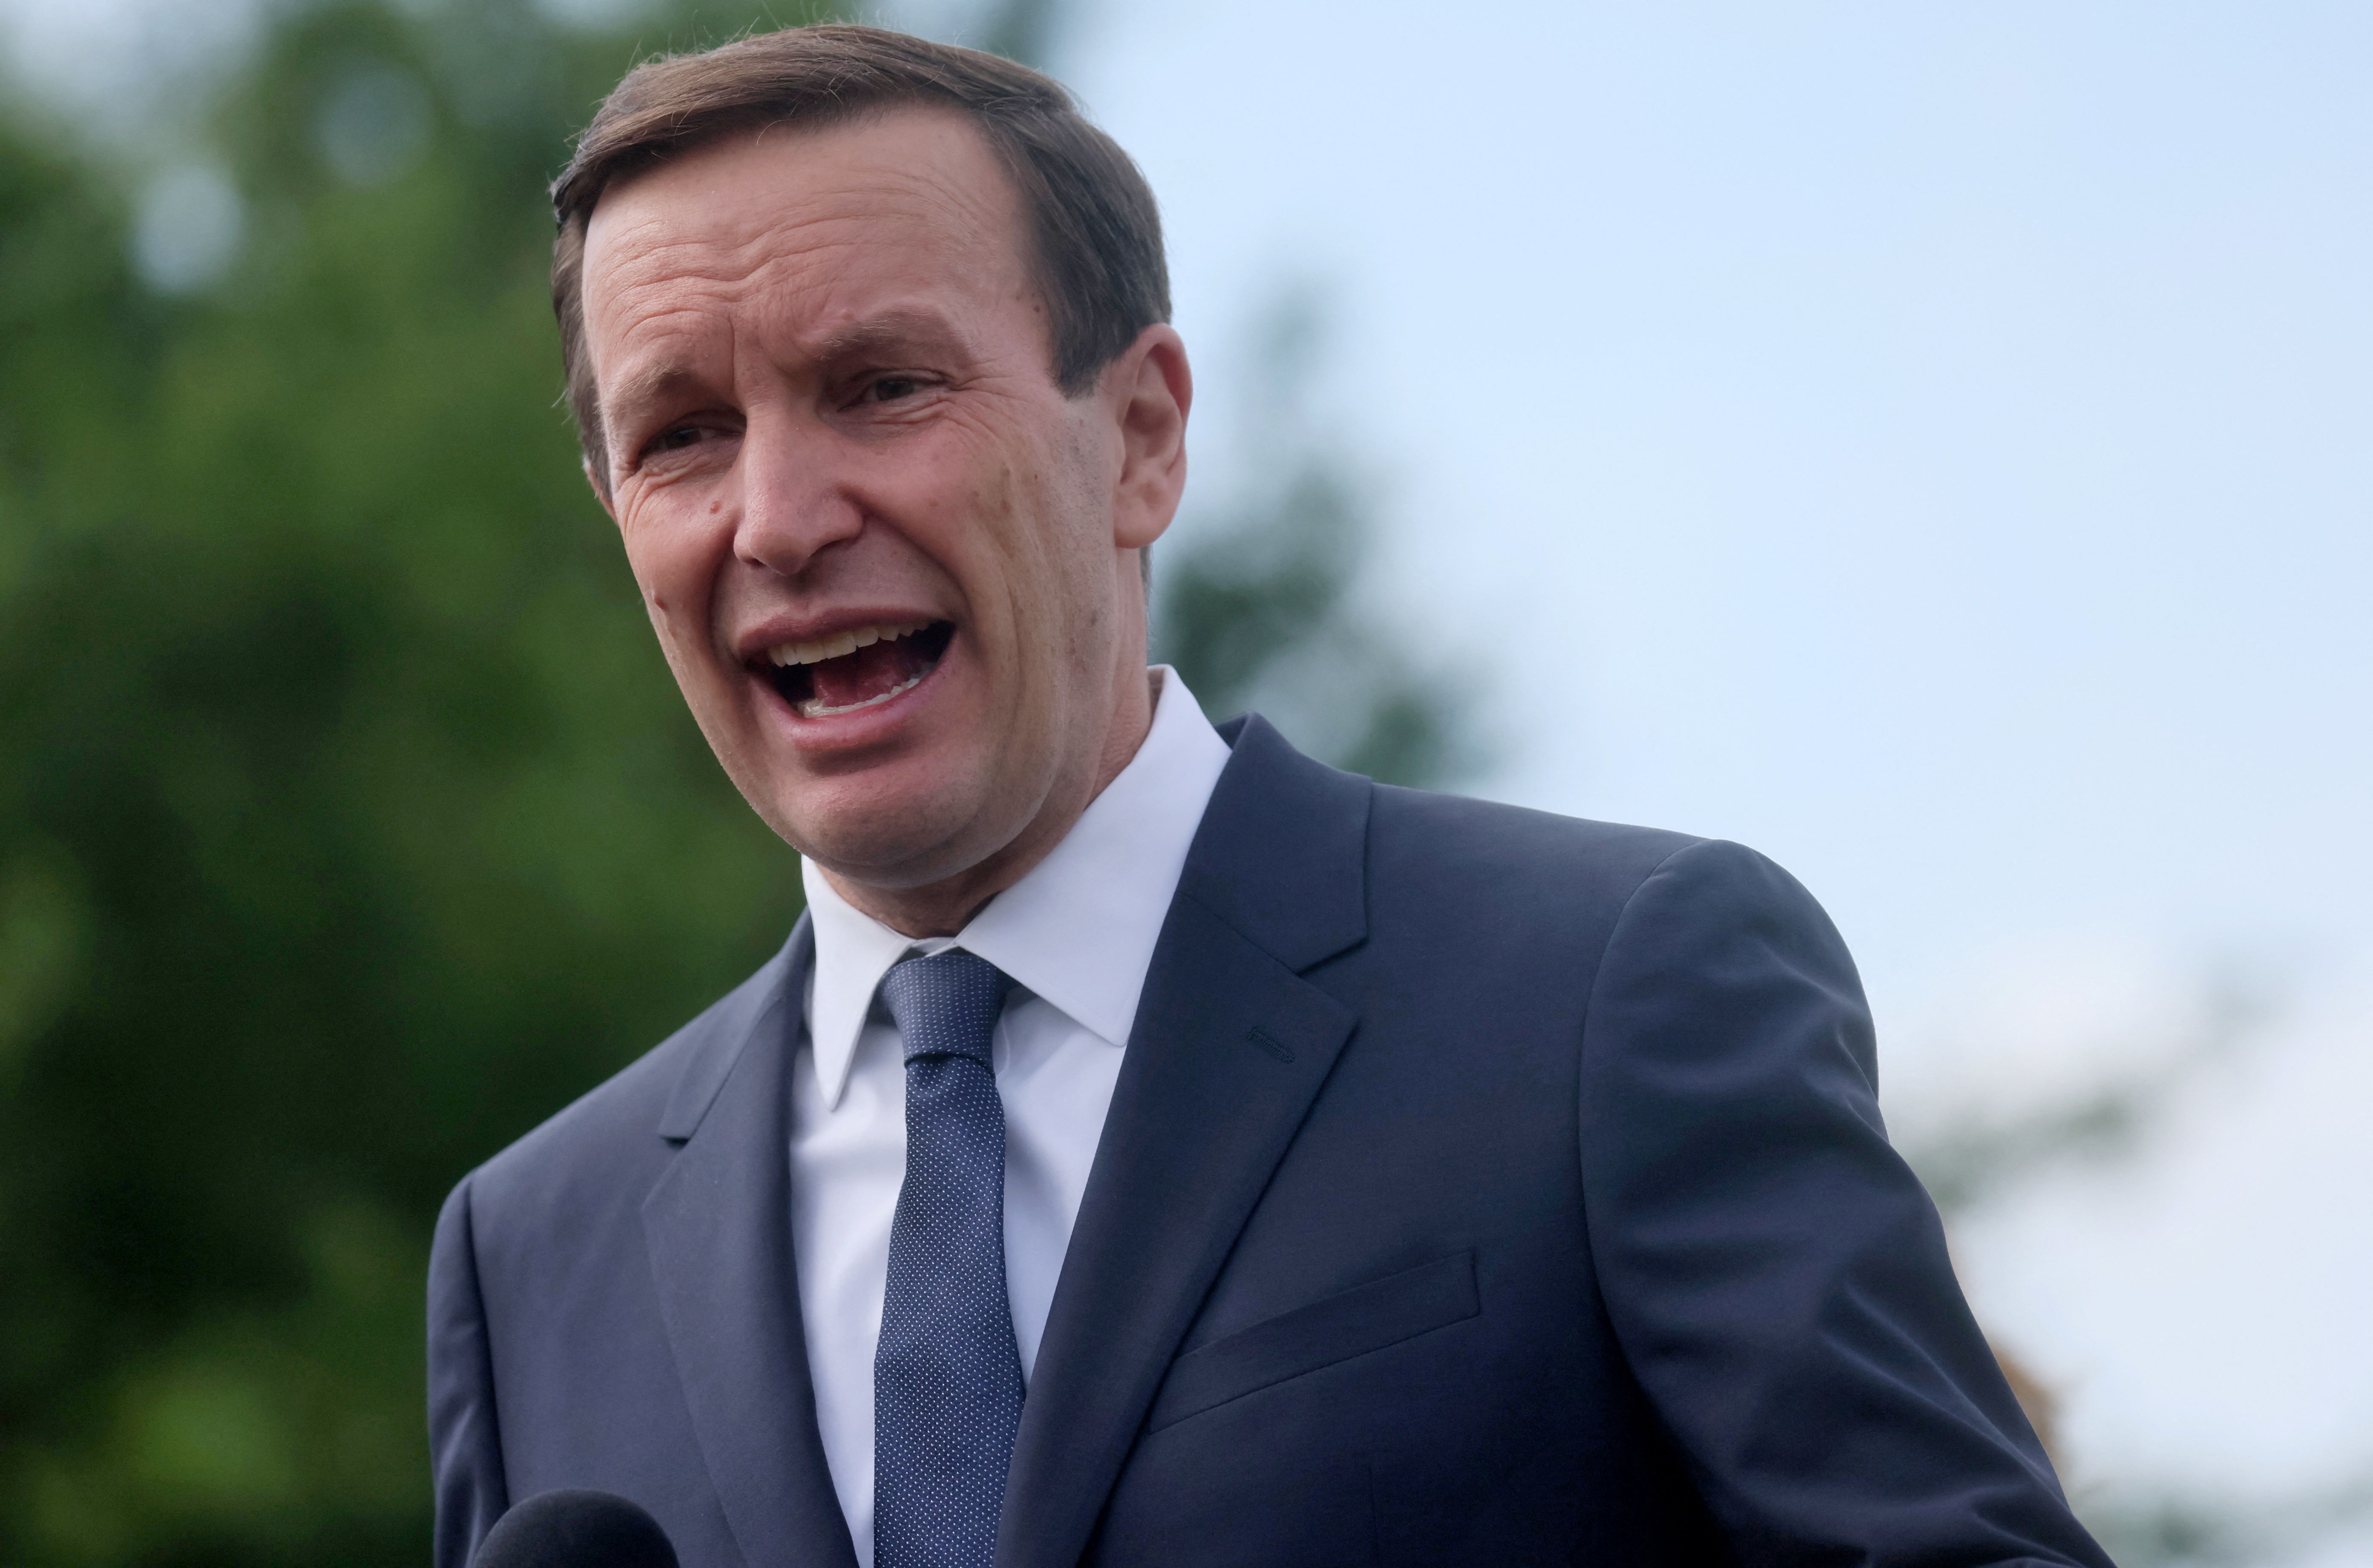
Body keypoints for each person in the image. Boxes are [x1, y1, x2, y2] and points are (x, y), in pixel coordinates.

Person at [427, 23, 2112, 1568]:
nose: (778, 518)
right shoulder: (532, 1258)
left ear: (1144, 436)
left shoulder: (1608, 994)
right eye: (685, 435)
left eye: (884, 387)